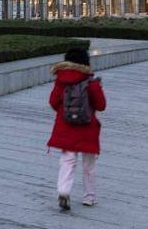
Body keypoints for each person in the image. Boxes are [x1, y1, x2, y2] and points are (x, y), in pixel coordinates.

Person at [47, 47, 106, 211]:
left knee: (68, 161)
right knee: (89, 165)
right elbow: (101, 106)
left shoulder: (61, 80)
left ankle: (64, 191)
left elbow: (53, 102)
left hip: (66, 127)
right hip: (87, 128)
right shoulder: (91, 82)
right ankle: (89, 197)